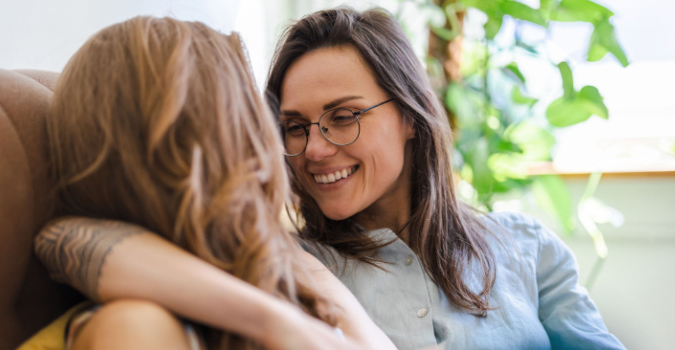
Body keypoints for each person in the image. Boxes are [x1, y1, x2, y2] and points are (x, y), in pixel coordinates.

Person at [34, 7, 625, 350]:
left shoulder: (526, 246)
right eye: (289, 126)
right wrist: (294, 315)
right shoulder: (282, 266)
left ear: (411, 116)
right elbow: (65, 239)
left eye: (344, 117)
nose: (310, 149)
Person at [21, 15, 395, 350]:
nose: (282, 144)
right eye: (255, 116)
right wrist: (274, 321)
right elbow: (63, 240)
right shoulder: (136, 328)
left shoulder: (287, 270)